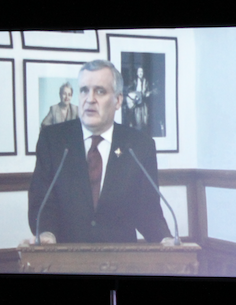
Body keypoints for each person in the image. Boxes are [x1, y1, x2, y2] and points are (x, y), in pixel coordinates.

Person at [27, 60, 174, 245]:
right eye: (84, 90)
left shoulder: (139, 146)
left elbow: (147, 209)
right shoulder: (53, 140)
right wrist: (47, 233)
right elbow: (41, 200)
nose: (90, 99)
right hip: (65, 258)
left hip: (121, 261)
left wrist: (165, 238)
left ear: (118, 100)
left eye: (100, 91)